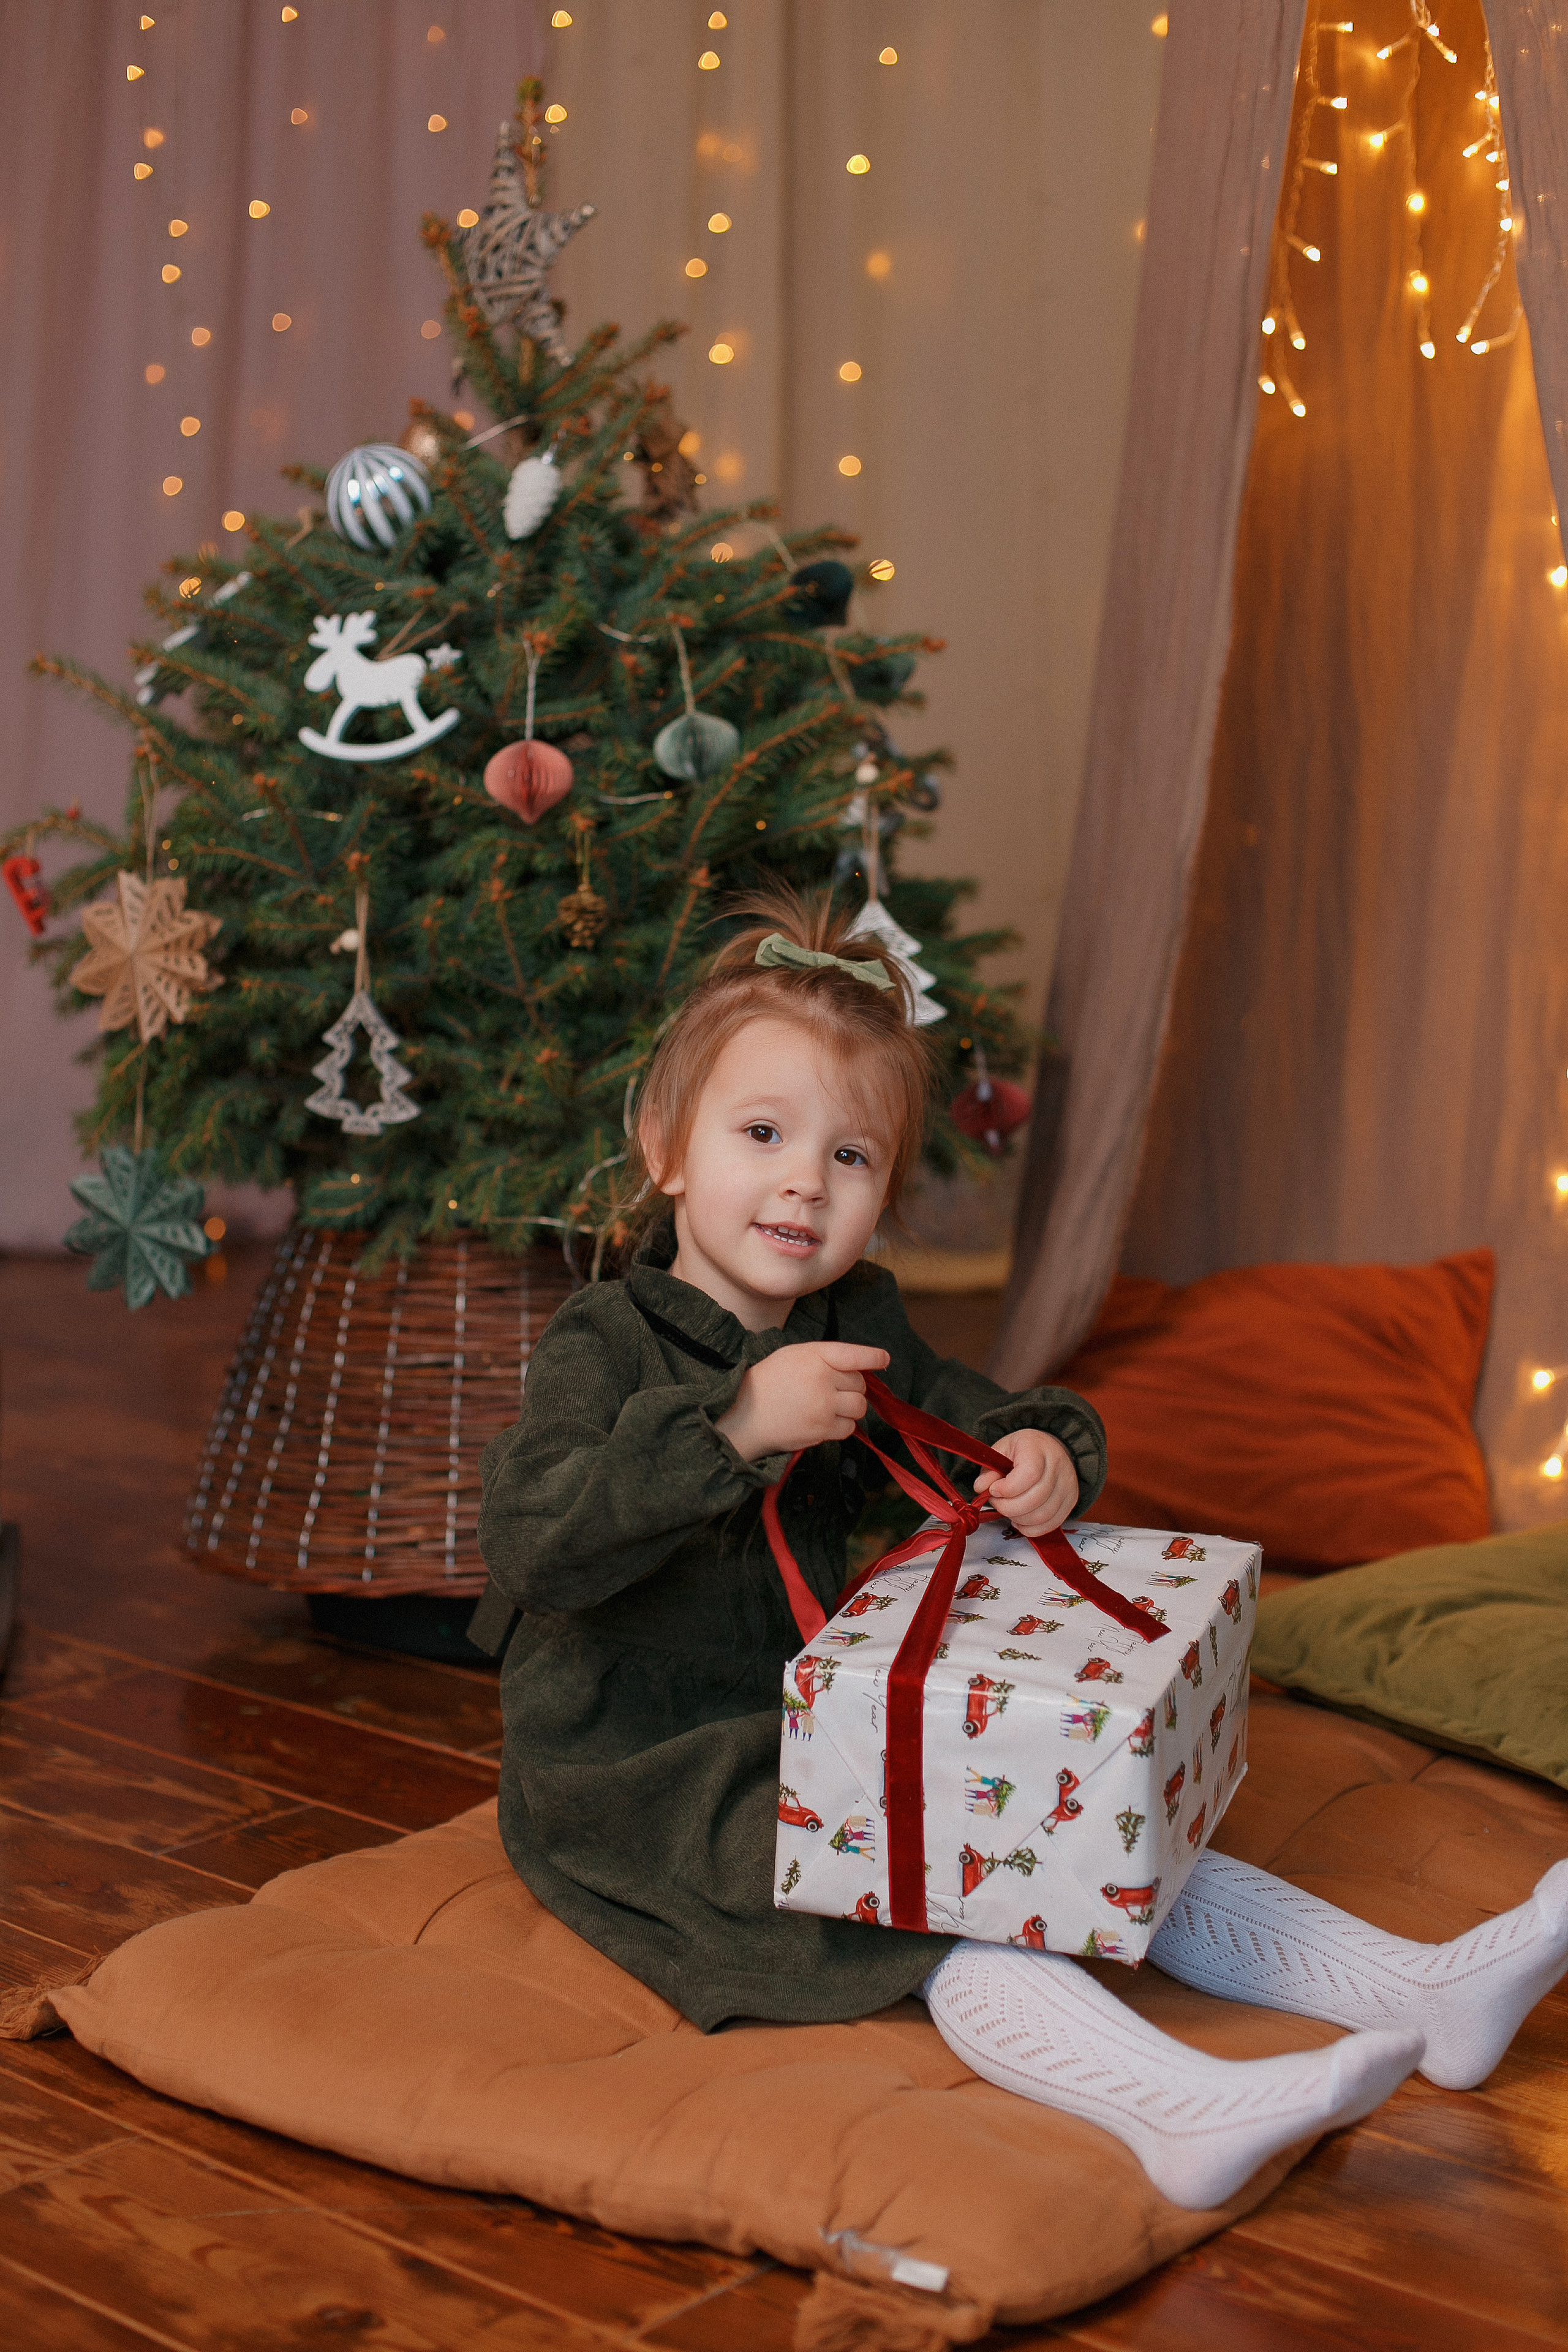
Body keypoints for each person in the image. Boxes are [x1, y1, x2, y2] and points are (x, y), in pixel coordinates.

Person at [472, 887, 1568, 2211]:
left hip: (821, 1706)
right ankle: (1169, 2107)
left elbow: (963, 1413)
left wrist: (1040, 1451)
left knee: (1083, 1821)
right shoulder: (609, 1342)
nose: (801, 1183)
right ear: (665, 1149)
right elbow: (535, 1547)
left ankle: (1419, 1988)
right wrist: (734, 1421)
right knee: (935, 1896)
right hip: (646, 1755)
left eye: (850, 1157)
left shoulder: (853, 1311)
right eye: (760, 1133)